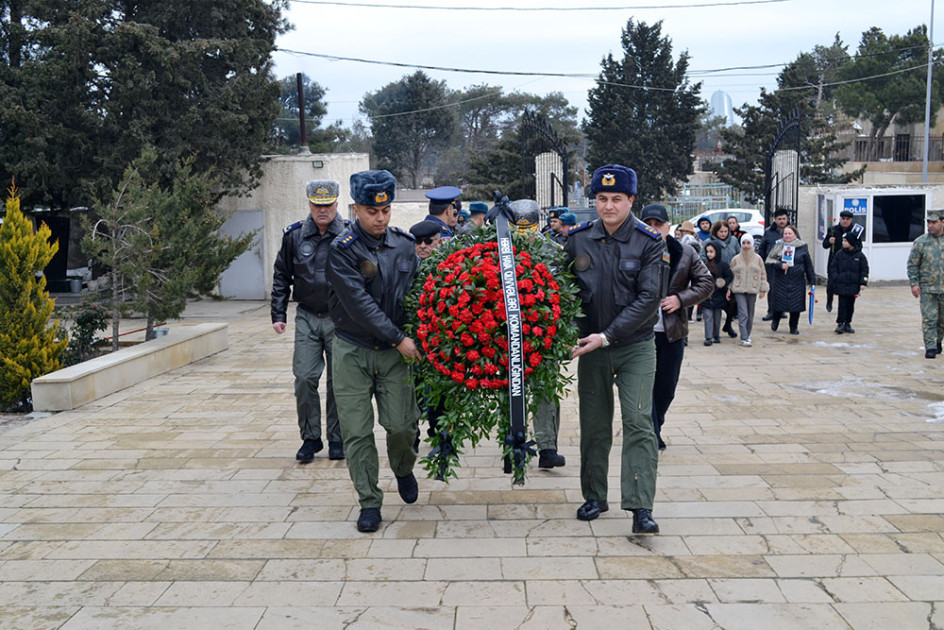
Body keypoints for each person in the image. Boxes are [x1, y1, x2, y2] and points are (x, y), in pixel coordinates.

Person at [565, 164, 668, 534]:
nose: (608, 207)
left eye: (617, 199)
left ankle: (641, 506)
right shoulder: (577, 239)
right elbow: (562, 293)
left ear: (631, 201)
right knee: (594, 426)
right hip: (590, 348)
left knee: (639, 422)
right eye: (602, 199)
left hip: (635, 346)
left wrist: (606, 335)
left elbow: (647, 300)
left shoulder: (649, 241)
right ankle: (594, 495)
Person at [327, 170, 422, 533]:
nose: (380, 218)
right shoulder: (342, 250)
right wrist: (401, 338)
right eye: (371, 211)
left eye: (385, 210)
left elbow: (417, 295)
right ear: (356, 210)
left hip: (395, 354)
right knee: (357, 431)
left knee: (401, 425)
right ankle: (369, 501)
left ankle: (402, 467)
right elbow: (359, 305)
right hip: (352, 350)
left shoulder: (404, 245)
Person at [272, 179, 346, 463]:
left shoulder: (348, 236)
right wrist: (278, 314)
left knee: (339, 382)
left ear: (337, 204)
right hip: (306, 316)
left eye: (328, 205)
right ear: (309, 204)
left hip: (340, 318)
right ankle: (311, 438)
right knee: (304, 378)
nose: (323, 210)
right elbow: (282, 275)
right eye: (318, 205)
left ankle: (337, 439)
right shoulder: (294, 236)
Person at [640, 203, 711, 451]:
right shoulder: (629, 251)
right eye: (648, 224)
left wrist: (680, 299)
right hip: (639, 334)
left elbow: (705, 283)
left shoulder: (685, 253)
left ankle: (656, 422)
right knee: (642, 386)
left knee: (666, 387)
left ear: (668, 227)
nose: (653, 228)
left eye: (658, 224)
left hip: (672, 332)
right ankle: (651, 433)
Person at [907, 210, 944, 358]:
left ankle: (938, 342)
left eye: (934, 222)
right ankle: (930, 346)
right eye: (928, 222)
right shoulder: (921, 242)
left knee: (942, 320)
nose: (930, 225)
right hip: (928, 287)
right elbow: (912, 264)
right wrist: (914, 283)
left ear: (942, 222)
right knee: (929, 318)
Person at [765, 224, 815, 335]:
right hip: (781, 279)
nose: (787, 236)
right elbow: (770, 261)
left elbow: (808, 265)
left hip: (797, 281)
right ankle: (776, 319)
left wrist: (812, 280)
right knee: (779, 303)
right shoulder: (778, 246)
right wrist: (780, 265)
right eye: (785, 233)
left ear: (795, 235)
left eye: (790, 233)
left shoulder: (802, 247)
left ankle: (793, 326)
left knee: (796, 306)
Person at [727, 234, 768, 347]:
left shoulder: (758, 258)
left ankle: (747, 334)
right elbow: (731, 275)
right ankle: (744, 336)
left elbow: (763, 274)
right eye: (744, 243)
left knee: (750, 313)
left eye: (748, 243)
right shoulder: (736, 259)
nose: (746, 245)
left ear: (752, 244)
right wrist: (729, 288)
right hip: (739, 288)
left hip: (752, 288)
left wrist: (763, 289)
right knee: (743, 312)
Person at [822, 209, 864, 313]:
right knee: (831, 282)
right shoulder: (833, 230)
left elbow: (859, 246)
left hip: (848, 261)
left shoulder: (855, 232)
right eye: (843, 219)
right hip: (834, 260)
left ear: (851, 220)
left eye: (847, 219)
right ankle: (829, 301)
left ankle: (846, 304)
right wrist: (829, 241)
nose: (845, 221)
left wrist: (851, 246)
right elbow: (824, 245)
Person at [828, 230, 869, 334]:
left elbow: (864, 269)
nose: (843, 242)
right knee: (842, 304)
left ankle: (848, 323)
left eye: (845, 241)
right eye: (843, 240)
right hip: (841, 284)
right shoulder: (839, 254)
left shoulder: (860, 256)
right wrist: (836, 278)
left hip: (853, 285)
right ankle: (840, 323)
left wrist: (863, 282)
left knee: (850, 305)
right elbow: (833, 267)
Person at [703, 220, 739, 338]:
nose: (723, 234)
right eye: (721, 231)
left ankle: (728, 324)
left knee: (732, 304)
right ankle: (712, 332)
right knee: (717, 306)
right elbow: (702, 258)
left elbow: (738, 254)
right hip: (716, 277)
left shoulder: (733, 240)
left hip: (730, 276)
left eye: (725, 231)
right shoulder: (708, 242)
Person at [757, 208, 789, 321]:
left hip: (786, 264)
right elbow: (763, 247)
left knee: (785, 287)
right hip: (771, 264)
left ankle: (782, 310)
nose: (781, 221)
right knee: (772, 288)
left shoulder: (791, 231)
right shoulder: (769, 231)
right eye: (779, 219)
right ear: (775, 220)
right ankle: (771, 311)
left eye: (784, 219)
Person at [701, 241, 733, 346]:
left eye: (711, 251)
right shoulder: (704, 264)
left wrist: (723, 283)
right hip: (706, 295)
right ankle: (708, 337)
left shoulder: (723, 265)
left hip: (719, 294)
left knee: (717, 317)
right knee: (708, 317)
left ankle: (716, 335)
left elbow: (729, 276)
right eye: (707, 252)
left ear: (717, 252)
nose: (709, 254)